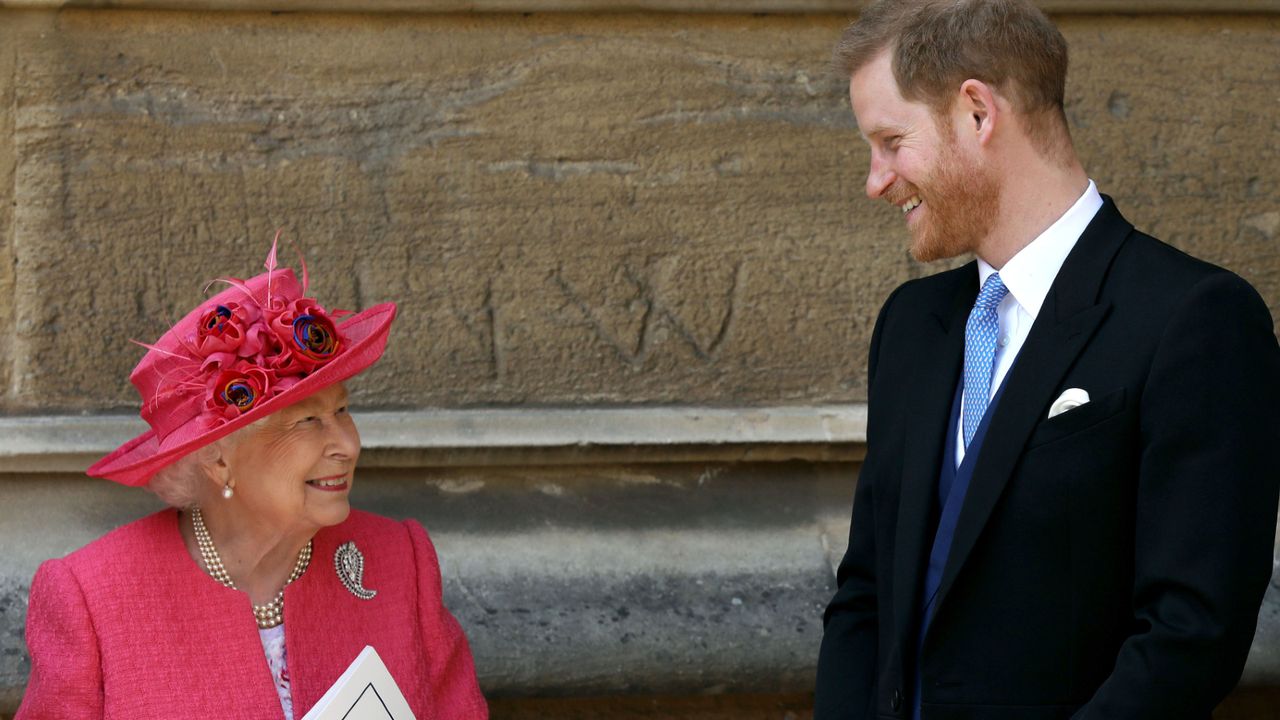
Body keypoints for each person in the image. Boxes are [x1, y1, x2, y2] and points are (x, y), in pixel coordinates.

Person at [814, 1, 1280, 718]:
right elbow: (867, 595)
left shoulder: (1195, 319)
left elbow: (1191, 636)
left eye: (891, 141)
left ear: (977, 113)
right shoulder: (912, 326)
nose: (877, 181)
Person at [18, 240, 489, 719]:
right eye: (307, 421)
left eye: (342, 410)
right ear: (219, 460)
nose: (347, 445)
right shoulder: (92, 598)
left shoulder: (399, 562)